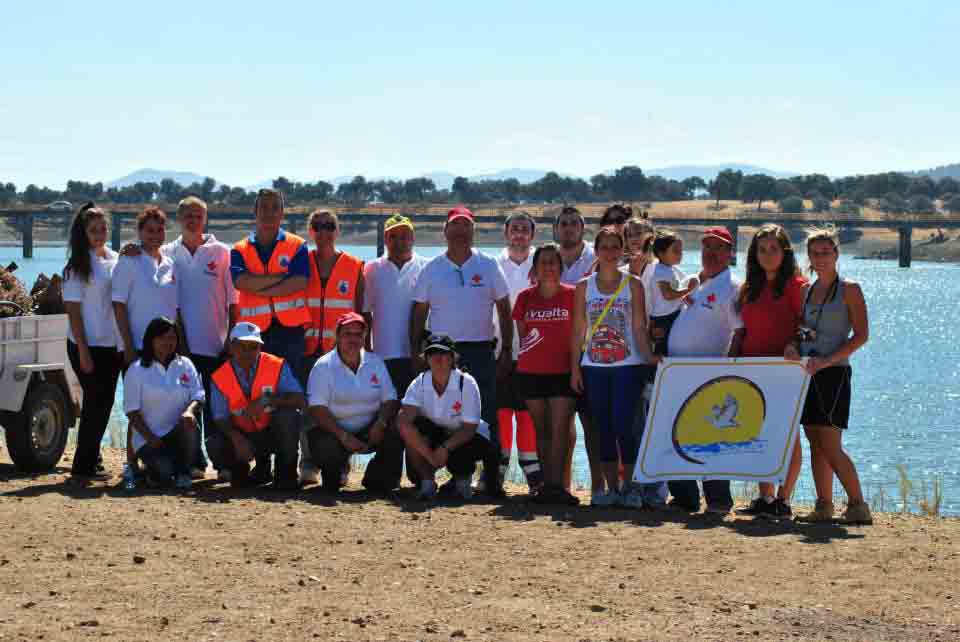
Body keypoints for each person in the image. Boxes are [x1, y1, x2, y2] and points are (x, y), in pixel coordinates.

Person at [123, 196, 238, 479]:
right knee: (181, 405)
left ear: (205, 219)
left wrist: (230, 339)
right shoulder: (167, 251)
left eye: (198, 215)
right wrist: (129, 248)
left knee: (213, 407)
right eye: (187, 214)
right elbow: (142, 255)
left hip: (215, 343)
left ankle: (221, 463)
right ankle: (194, 462)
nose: (193, 220)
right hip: (177, 347)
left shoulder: (223, 252)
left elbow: (233, 302)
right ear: (179, 218)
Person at [411, 206, 511, 496]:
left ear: (473, 231)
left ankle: (492, 479)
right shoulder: (432, 268)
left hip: (480, 350)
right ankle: (455, 476)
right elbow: (419, 313)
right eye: (455, 226)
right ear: (445, 231)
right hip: (442, 353)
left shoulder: (489, 265)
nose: (460, 232)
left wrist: (505, 351)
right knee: (445, 416)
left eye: (466, 226)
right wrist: (416, 350)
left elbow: (504, 311)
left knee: (487, 415)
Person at [570, 226, 659, 507]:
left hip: (627, 366)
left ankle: (630, 486)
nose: (609, 253)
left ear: (622, 250)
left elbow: (639, 327)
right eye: (604, 247)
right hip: (594, 368)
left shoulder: (633, 284)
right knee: (602, 428)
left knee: (626, 426)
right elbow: (577, 330)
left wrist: (649, 358)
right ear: (596, 251)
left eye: (614, 247)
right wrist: (575, 369)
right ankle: (610, 489)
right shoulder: (584, 286)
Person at [793, 229, 872, 525]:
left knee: (830, 443)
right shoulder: (806, 291)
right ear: (809, 257)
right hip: (807, 373)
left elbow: (861, 335)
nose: (821, 258)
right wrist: (793, 345)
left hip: (834, 374)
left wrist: (827, 361)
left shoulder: (850, 289)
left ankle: (858, 505)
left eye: (826, 252)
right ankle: (823, 505)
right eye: (815, 253)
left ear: (836, 254)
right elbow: (804, 329)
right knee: (814, 440)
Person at [665, 227, 745, 514]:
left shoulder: (732, 286)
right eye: (706, 247)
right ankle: (685, 497)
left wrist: (728, 369)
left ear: (730, 253)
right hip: (677, 372)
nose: (711, 253)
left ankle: (719, 499)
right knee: (677, 434)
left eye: (718, 248)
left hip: (710, 373)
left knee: (711, 437)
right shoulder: (695, 282)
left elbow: (738, 331)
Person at [734, 224, 807, 518]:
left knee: (789, 435)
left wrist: (794, 342)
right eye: (761, 249)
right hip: (752, 370)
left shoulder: (798, 286)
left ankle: (783, 499)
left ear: (784, 252)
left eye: (773, 249)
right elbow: (742, 329)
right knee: (758, 432)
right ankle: (764, 498)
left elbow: (807, 326)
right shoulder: (748, 288)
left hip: (786, 371)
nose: (767, 255)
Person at [112, 206, 179, 479]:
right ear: (140, 232)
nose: (155, 235)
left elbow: (175, 311)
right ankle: (131, 464)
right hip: (137, 346)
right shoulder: (128, 260)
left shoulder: (170, 263)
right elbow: (118, 305)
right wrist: (127, 346)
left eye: (160, 229)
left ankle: (160, 458)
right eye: (149, 230)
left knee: (159, 404)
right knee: (135, 406)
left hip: (166, 346)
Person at [300, 209, 365, 484]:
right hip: (305, 348)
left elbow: (361, 312)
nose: (323, 232)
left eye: (329, 226)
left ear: (338, 231)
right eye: (317, 226)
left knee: (340, 407)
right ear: (310, 231)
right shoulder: (300, 262)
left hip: (340, 352)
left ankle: (340, 464)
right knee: (306, 408)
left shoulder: (354, 265)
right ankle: (308, 464)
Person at [305, 313, 404, 493]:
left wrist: (380, 424)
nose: (353, 339)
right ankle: (334, 473)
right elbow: (317, 409)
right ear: (337, 336)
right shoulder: (323, 366)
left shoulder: (375, 362)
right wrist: (343, 436)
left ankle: (377, 476)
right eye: (347, 334)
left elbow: (390, 399)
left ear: (364, 337)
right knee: (326, 460)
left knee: (398, 425)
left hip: (371, 428)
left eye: (358, 334)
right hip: (335, 433)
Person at [512, 244, 578, 505]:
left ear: (561, 268)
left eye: (553, 262)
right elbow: (522, 335)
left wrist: (576, 369)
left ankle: (558, 487)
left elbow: (578, 333)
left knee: (561, 429)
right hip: (531, 372)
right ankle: (546, 487)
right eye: (543, 263)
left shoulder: (574, 295)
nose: (548, 267)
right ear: (535, 268)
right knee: (542, 431)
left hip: (563, 372)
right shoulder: (525, 298)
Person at [62, 203, 122, 483]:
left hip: (111, 345)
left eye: (103, 228)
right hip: (84, 345)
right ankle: (83, 466)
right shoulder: (76, 267)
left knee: (104, 403)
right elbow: (74, 313)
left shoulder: (115, 258)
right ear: (83, 233)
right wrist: (83, 352)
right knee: (96, 404)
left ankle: (90, 458)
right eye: (93, 230)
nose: (99, 234)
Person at [206, 322, 305, 490]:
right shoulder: (219, 376)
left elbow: (300, 399)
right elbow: (220, 418)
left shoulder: (276, 365)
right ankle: (242, 470)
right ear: (231, 347)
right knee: (214, 444)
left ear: (260, 347)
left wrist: (267, 400)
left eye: (253, 347)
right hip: (243, 436)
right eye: (241, 346)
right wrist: (236, 438)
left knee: (289, 416)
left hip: (271, 433)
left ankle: (286, 475)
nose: (247, 352)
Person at [396, 334, 491, 500]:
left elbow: (469, 428)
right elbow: (403, 421)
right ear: (426, 358)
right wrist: (429, 455)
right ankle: (427, 484)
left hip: (466, 437)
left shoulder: (466, 382)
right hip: (438, 436)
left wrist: (444, 449)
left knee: (460, 454)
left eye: (443, 353)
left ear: (452, 357)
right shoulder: (419, 383)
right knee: (413, 432)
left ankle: (462, 480)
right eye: (432, 353)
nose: (438, 358)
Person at [122, 317, 204, 489]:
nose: (168, 342)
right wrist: (150, 437)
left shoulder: (185, 364)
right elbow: (131, 412)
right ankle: (141, 469)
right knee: (164, 474)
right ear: (150, 339)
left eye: (172, 337)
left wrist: (189, 411)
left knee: (190, 423)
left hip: (177, 434)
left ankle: (183, 473)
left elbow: (198, 395)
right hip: (149, 439)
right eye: (162, 337)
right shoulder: (136, 370)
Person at [494, 211, 540, 491]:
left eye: (524, 229)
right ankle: (495, 473)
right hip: (499, 353)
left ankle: (534, 476)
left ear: (532, 234)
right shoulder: (492, 265)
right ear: (506, 233)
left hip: (533, 356)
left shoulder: (544, 261)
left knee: (528, 415)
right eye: (514, 228)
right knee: (500, 413)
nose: (519, 233)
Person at [363, 214, 428, 402]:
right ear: (385, 239)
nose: (399, 242)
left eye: (404, 236)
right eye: (392, 236)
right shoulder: (371, 269)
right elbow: (366, 314)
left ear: (413, 238)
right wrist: (367, 355)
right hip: (383, 355)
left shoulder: (427, 267)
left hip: (418, 357)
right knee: (386, 412)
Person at [553, 205, 594, 489]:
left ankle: (601, 487)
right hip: (556, 351)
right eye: (563, 223)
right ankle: (564, 485)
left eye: (573, 223)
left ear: (582, 228)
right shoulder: (546, 258)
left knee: (593, 424)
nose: (568, 228)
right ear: (557, 228)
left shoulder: (595, 257)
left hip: (592, 352)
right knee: (562, 424)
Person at [648, 230, 699, 356]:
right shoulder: (662, 271)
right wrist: (688, 289)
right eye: (675, 251)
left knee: (670, 346)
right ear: (661, 253)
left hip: (670, 314)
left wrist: (683, 298)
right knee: (663, 350)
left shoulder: (668, 269)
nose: (680, 254)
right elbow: (668, 295)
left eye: (681, 251)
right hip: (664, 317)